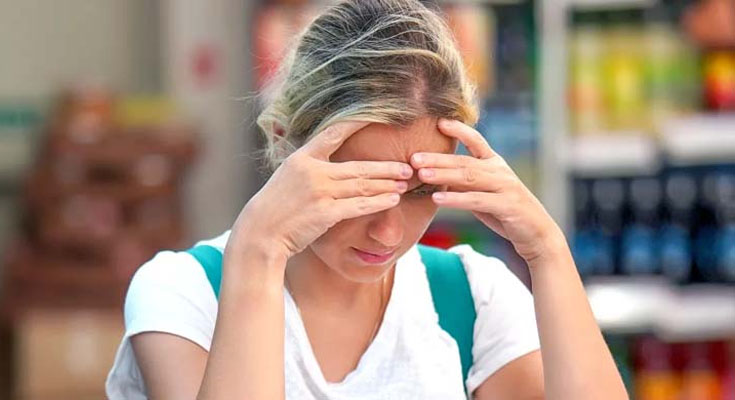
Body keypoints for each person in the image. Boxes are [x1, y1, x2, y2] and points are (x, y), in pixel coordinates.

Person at [105, 0, 628, 399]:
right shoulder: (185, 294)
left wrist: (548, 252)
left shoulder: (472, 298)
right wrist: (259, 250)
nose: (388, 231)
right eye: (359, 188)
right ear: (286, 142)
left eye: (420, 192)